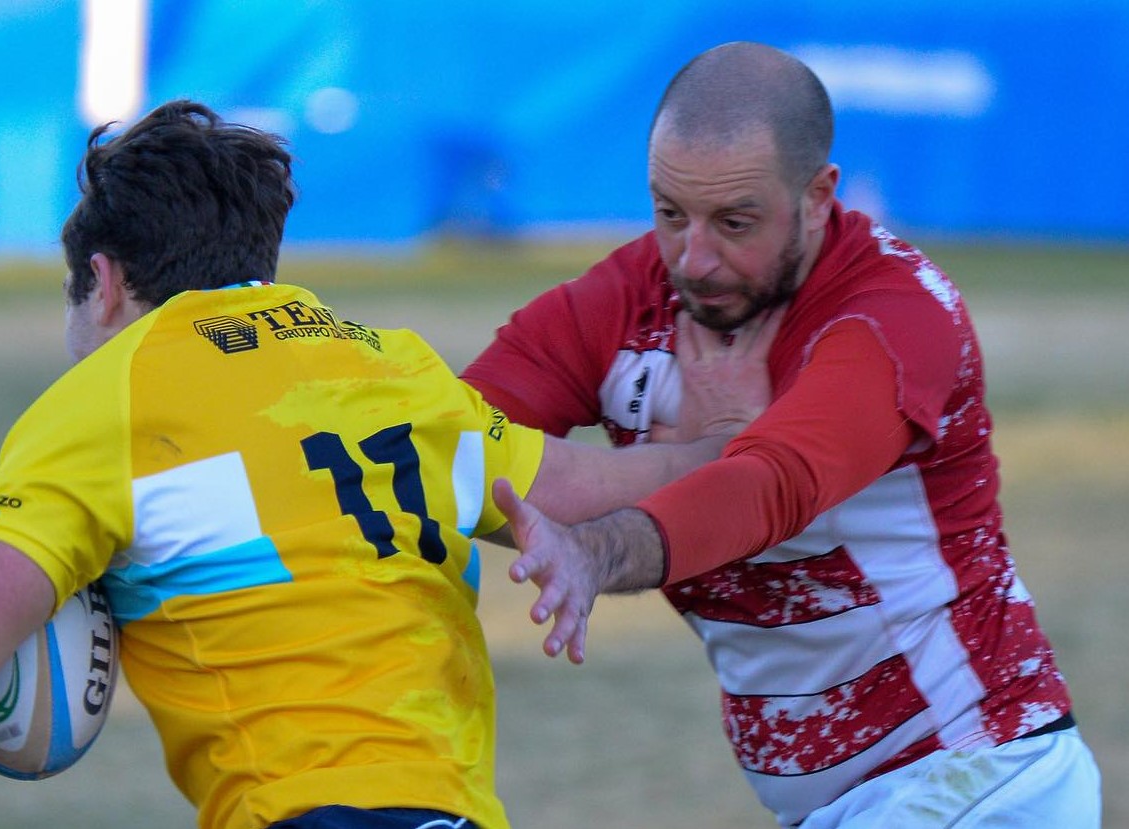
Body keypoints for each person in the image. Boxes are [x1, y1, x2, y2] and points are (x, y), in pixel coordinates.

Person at [0, 100, 774, 829]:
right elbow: (596, 490)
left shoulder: (105, 401)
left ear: (101, 283)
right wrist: (733, 431)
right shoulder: (390, 366)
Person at [463, 41, 1101, 829]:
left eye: (735, 221)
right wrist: (698, 453)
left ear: (817, 195)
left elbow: (770, 485)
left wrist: (597, 548)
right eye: (669, 213)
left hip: (976, 774)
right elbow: (454, 439)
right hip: (842, 803)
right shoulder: (631, 293)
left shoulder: (892, 314)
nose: (693, 259)